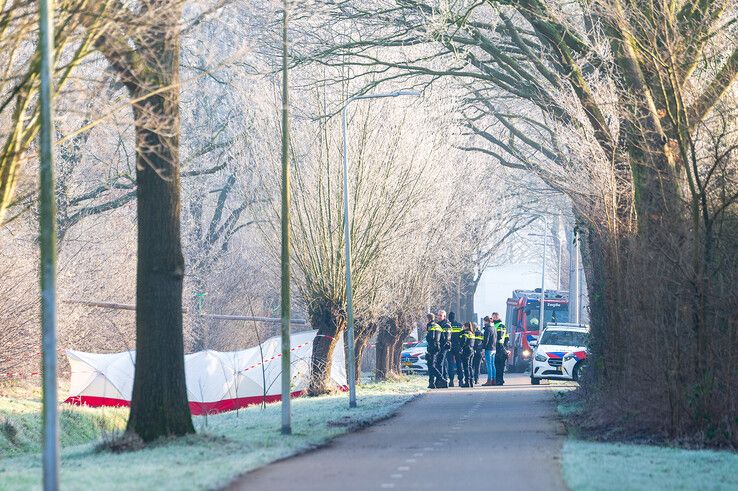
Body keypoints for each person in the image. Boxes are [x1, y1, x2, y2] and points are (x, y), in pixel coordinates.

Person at [425, 313, 445, 388]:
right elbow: (443, 338)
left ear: (429, 319)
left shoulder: (431, 325)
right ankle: (431, 383)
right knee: (432, 364)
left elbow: (431, 337)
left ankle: (441, 379)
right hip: (438, 346)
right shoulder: (438, 326)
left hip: (432, 346)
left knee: (431, 365)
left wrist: (427, 336)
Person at [446, 311, 464, 387]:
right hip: (458, 347)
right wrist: (461, 346)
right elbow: (462, 337)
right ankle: (460, 381)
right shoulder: (459, 325)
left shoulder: (447, 325)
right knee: (459, 364)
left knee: (450, 364)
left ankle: (451, 381)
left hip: (449, 347)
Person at [492, 312, 509, 386]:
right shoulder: (494, 325)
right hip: (497, 346)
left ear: (498, 317)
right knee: (496, 364)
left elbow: (501, 336)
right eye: (493, 317)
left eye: (495, 317)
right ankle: (499, 380)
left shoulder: (501, 325)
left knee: (500, 365)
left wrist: (504, 347)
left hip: (500, 346)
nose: (494, 318)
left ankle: (500, 380)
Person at [436, 310, 451, 386]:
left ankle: (441, 380)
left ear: (444, 316)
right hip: (440, 346)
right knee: (443, 363)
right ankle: (444, 380)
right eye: (438, 315)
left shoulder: (447, 325)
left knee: (440, 363)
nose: (439, 317)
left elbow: (447, 338)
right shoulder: (438, 324)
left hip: (444, 346)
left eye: (440, 315)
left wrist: (441, 346)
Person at [482, 316, 497, 386]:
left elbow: (486, 340)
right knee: (493, 365)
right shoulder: (494, 328)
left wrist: (483, 348)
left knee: (489, 365)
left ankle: (489, 380)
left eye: (484, 321)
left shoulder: (487, 329)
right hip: (494, 348)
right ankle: (494, 380)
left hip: (488, 349)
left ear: (486, 321)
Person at [459, 321, 475, 387]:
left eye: (463, 326)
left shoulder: (465, 333)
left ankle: (467, 382)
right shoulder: (472, 333)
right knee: (470, 367)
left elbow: (462, 342)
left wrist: (461, 347)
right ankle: (471, 382)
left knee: (466, 367)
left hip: (466, 350)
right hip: (472, 350)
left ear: (466, 327)